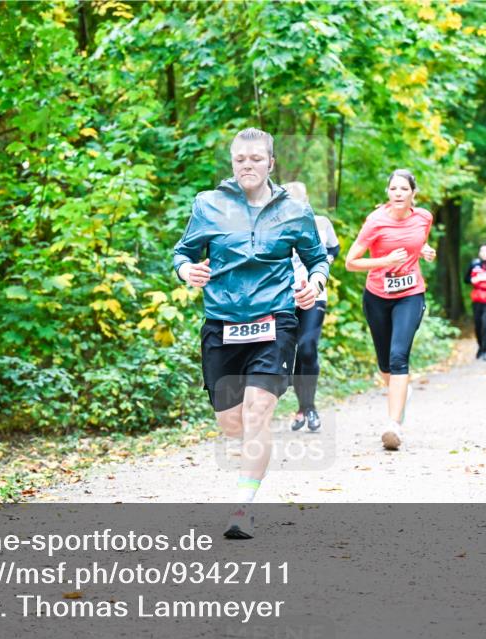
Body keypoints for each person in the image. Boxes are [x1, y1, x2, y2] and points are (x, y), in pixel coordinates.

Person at [172, 127, 328, 538]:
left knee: (258, 409)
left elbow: (317, 259)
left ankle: (242, 507)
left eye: (256, 158)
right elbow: (182, 253)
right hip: (221, 323)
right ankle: (256, 450)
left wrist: (315, 284)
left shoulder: (295, 209)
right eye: (240, 159)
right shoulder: (208, 205)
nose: (247, 165)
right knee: (231, 422)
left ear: (271, 163)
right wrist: (188, 270)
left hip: (274, 320)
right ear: (232, 162)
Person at [345, 169, 435, 451]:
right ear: (388, 193)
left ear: (413, 194)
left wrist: (424, 250)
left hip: (410, 294)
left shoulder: (424, 217)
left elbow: (417, 240)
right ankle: (400, 393)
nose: (398, 193)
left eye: (403, 189)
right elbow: (351, 262)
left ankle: (393, 425)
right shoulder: (375, 221)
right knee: (385, 362)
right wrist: (384, 261)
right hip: (377, 296)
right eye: (393, 189)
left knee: (399, 356)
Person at [281, 182, 340, 434]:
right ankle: (304, 406)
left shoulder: (321, 223)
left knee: (307, 347)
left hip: (314, 296)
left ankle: (309, 407)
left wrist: (322, 264)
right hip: (283, 299)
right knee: (289, 355)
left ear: (306, 202)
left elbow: (334, 248)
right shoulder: (275, 227)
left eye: (298, 202)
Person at [466, 243, 486, 361]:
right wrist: (474, 279)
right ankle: (480, 346)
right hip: (477, 298)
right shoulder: (474, 265)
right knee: (478, 325)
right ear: (479, 253)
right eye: (482, 251)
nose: (484, 253)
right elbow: (466, 279)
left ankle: (485, 350)